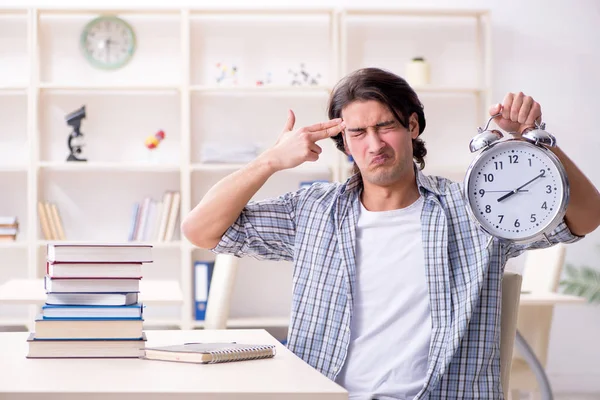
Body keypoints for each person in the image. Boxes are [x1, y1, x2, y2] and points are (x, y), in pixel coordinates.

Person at [181, 67, 600, 399]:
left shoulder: (473, 209)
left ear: (412, 126)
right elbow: (200, 231)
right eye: (357, 133)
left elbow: (586, 216)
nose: (373, 144)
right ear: (343, 142)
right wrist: (270, 161)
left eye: (386, 126)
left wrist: (532, 140)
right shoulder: (312, 212)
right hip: (329, 394)